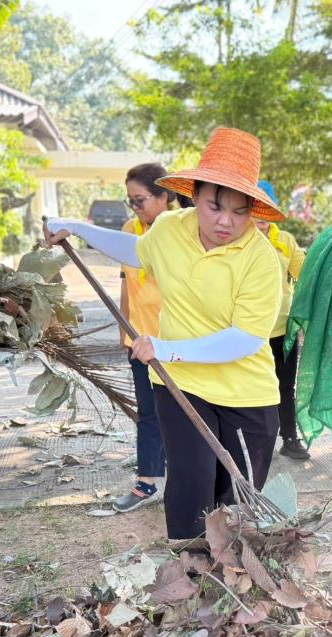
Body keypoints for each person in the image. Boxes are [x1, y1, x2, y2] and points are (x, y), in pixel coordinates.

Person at [43, 127, 284, 542]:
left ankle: (233, 574)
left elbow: (245, 338)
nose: (226, 221)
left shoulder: (261, 260)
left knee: (235, 503)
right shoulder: (170, 228)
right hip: (181, 384)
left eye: (240, 212)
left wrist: (168, 348)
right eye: (214, 206)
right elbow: (136, 252)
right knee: (191, 482)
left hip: (248, 394)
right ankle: (188, 568)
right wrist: (75, 229)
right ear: (195, 195)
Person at [101, 162, 176, 512]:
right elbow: (126, 284)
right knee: (148, 412)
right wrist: (124, 329)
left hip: (176, 342)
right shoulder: (129, 229)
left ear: (165, 197)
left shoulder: (182, 232)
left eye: (140, 200)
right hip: (139, 341)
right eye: (130, 200)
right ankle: (147, 482)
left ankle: (186, 478)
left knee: (183, 412)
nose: (135, 207)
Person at [255, 180, 309, 460]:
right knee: (254, 389)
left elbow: (306, 274)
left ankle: (289, 438)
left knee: (285, 386)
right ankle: (257, 441)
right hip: (251, 333)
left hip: (283, 331)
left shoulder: (285, 241)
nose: (261, 217)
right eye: (255, 208)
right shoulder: (240, 241)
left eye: (267, 209)